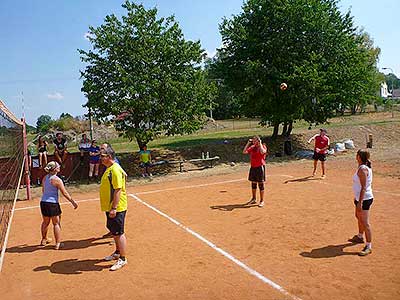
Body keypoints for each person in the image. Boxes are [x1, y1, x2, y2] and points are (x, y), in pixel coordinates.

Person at [99, 146, 128, 271]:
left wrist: (114, 208)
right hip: (109, 206)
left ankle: (123, 258)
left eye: (102, 156)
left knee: (119, 233)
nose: (100, 158)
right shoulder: (109, 169)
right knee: (114, 232)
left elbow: (118, 190)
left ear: (109, 157)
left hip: (116, 207)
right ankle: (117, 252)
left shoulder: (115, 170)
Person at [40, 161, 78, 249]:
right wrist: (73, 202)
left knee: (45, 222)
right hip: (53, 204)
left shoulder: (45, 178)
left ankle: (44, 239)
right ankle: (58, 244)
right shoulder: (57, 180)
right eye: (58, 166)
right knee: (56, 223)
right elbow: (64, 193)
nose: (59, 167)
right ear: (55, 169)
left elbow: (43, 190)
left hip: (43, 202)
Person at [348, 149, 374, 256]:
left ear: (359, 157)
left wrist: (360, 203)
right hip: (359, 198)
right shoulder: (362, 167)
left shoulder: (363, 169)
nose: (356, 156)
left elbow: (363, 187)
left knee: (365, 222)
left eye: (357, 154)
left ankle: (368, 246)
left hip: (365, 199)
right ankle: (359, 236)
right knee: (358, 216)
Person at [243, 136, 268, 207]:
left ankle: (262, 200)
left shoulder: (263, 146)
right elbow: (244, 151)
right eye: (253, 140)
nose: (253, 141)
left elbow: (263, 152)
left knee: (261, 183)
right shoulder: (252, 147)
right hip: (253, 167)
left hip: (260, 167)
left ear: (258, 140)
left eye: (255, 140)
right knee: (253, 183)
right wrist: (248, 143)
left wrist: (260, 143)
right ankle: (253, 198)